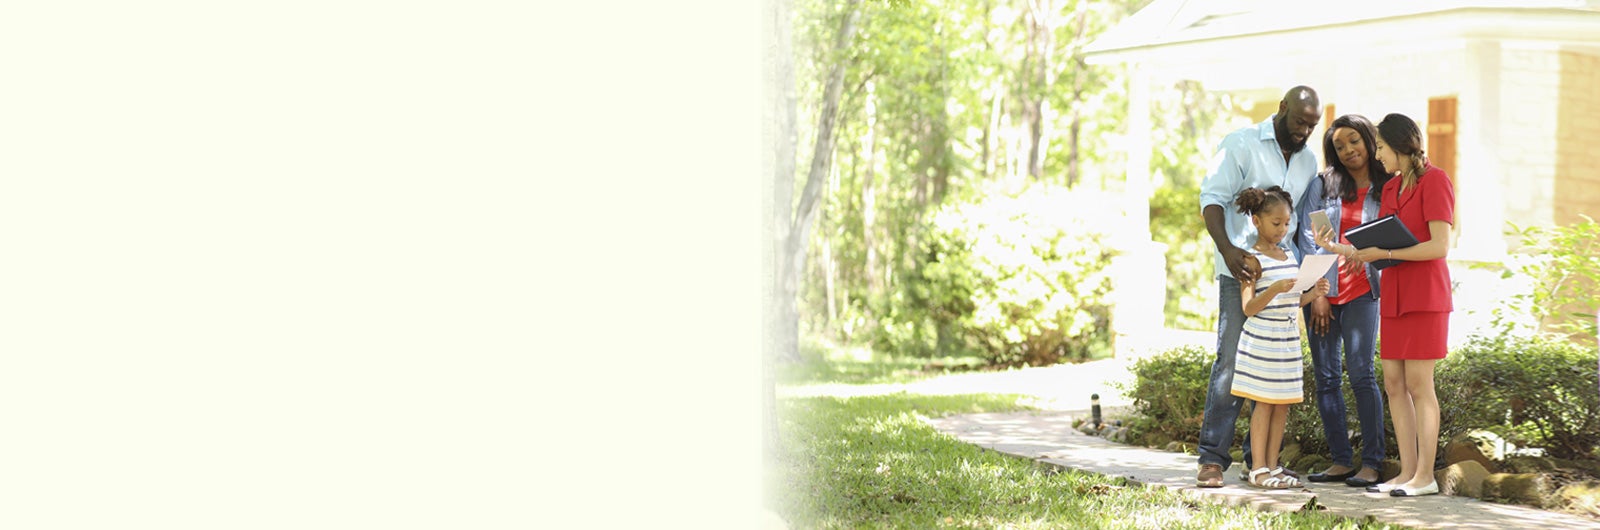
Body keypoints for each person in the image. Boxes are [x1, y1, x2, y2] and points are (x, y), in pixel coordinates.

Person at [1314, 113, 1454, 497]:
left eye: (1379, 147)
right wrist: (1337, 248)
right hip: (1393, 294)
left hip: (1425, 295)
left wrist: (1386, 251)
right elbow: (1371, 248)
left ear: (1400, 144)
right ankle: (1408, 472)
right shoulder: (1390, 190)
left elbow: (1440, 246)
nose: (1376, 155)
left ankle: (1425, 476)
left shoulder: (1436, 180)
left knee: (1419, 384)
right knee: (1394, 384)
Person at [1195, 86, 1322, 487]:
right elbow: (1211, 199)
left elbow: (1304, 219)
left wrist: (1316, 276)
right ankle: (1212, 459)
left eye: (1312, 125)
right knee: (1232, 362)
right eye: (1300, 121)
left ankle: (1260, 464)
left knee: (1272, 372)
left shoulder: (1308, 161)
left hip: (1284, 276)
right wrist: (1229, 250)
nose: (1304, 131)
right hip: (1244, 272)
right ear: (1282, 109)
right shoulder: (1241, 144)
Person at [1295, 115, 1391, 488]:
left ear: (1368, 140)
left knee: (1362, 373)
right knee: (1327, 377)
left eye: (1354, 141)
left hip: (1364, 290)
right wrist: (1318, 291)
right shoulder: (1324, 185)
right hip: (1322, 291)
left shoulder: (1388, 187)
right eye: (1339, 146)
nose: (1349, 150)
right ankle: (1339, 460)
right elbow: (1309, 234)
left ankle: (1371, 462)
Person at [1230, 186, 1330, 488]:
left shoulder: (1289, 255)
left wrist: (1312, 293)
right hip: (1262, 340)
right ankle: (1257, 468)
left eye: (1287, 223)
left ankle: (1272, 466)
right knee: (1263, 404)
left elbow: (1291, 300)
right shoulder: (1249, 260)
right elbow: (1249, 308)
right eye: (1276, 223)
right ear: (1257, 221)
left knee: (1281, 405)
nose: (1282, 229)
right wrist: (1273, 288)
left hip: (1286, 340)